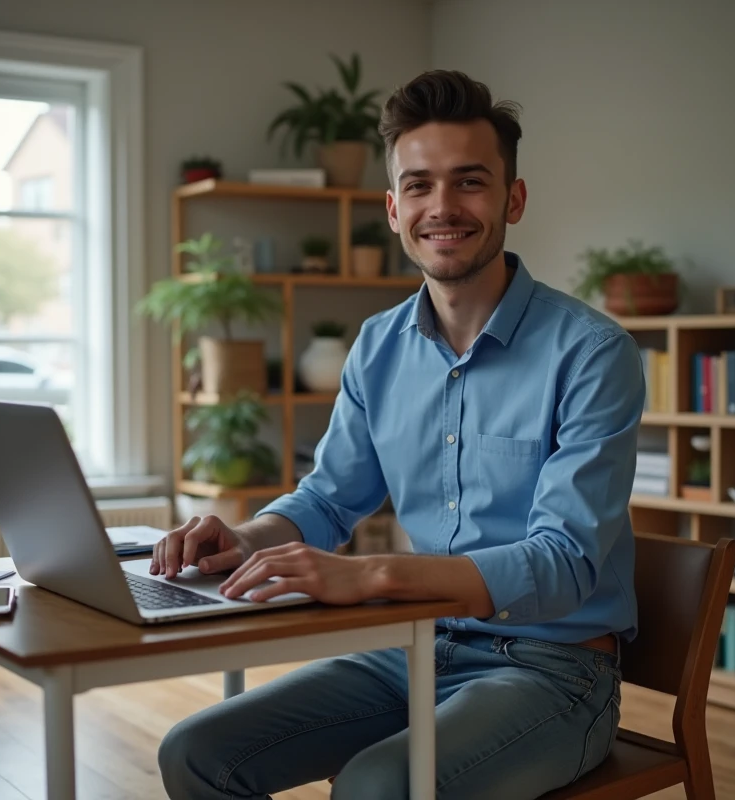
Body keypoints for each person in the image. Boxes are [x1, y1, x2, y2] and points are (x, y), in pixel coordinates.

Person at [154, 69, 643, 800]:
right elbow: (325, 500)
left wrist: (374, 576)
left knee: (379, 788)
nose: (442, 207)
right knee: (195, 752)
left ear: (513, 197)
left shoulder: (593, 353)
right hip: (415, 648)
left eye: (469, 182)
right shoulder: (377, 347)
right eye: (418, 185)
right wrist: (246, 537)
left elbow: (565, 562)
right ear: (392, 207)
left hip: (554, 670)